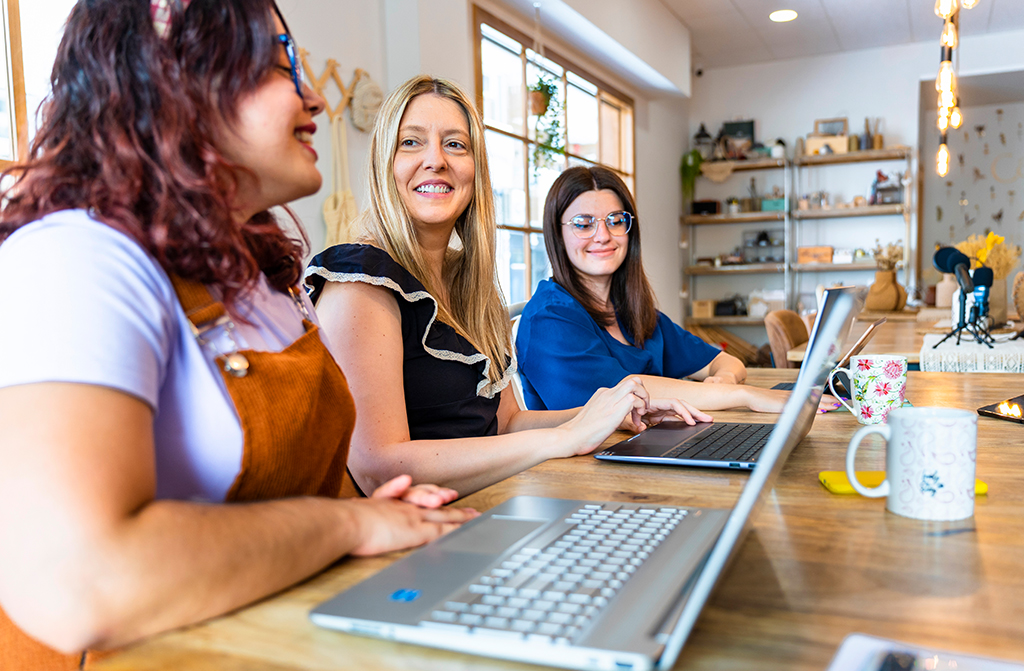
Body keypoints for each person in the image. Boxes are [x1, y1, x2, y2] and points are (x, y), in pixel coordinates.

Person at [0, 2, 476, 666]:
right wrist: (349, 522)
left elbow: (313, 489)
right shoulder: (74, 259)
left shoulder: (263, 281)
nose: (313, 95)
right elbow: (77, 582)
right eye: (280, 64)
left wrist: (391, 513)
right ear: (179, 79)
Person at [307, 76, 705, 498]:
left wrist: (610, 416)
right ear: (383, 162)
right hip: (412, 540)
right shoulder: (359, 280)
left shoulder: (471, 286)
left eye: (455, 144)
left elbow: (508, 422)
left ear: (475, 169)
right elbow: (379, 468)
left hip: (488, 505)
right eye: (411, 142)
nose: (436, 160)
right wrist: (562, 439)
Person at [516, 165, 839, 413]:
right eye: (584, 224)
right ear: (557, 235)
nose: (603, 235)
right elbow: (623, 393)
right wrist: (740, 394)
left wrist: (724, 380)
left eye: (615, 220)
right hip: (583, 477)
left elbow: (725, 362)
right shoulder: (550, 320)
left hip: (648, 453)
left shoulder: (634, 312)